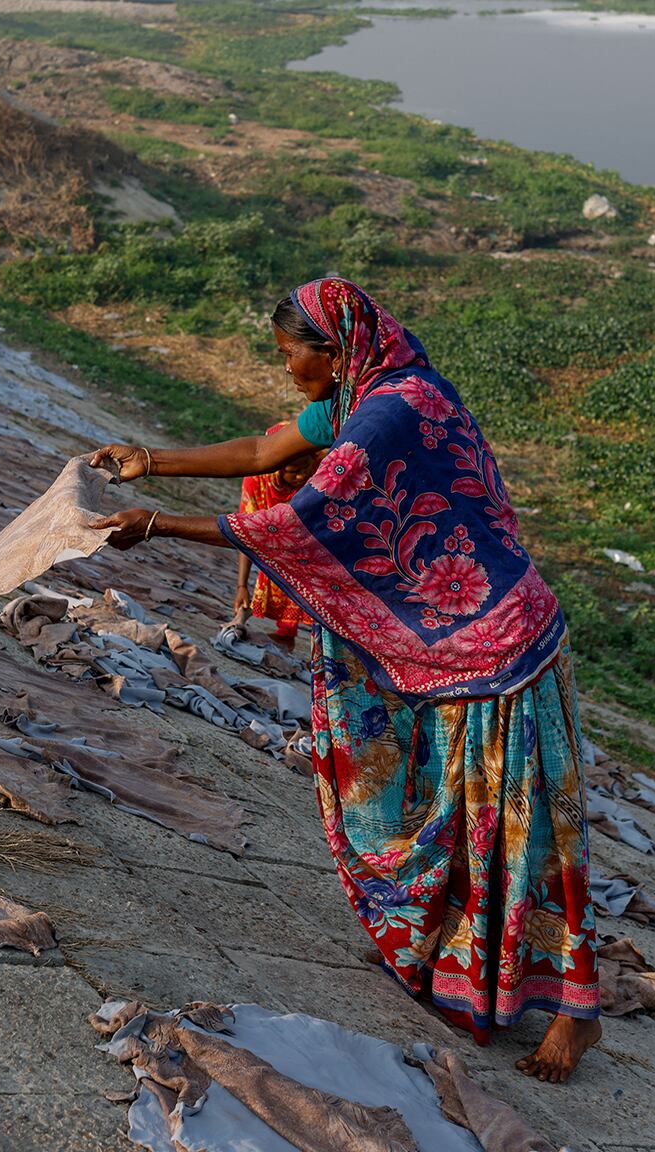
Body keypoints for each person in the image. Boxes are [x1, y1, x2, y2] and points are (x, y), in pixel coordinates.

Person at [87, 277, 601, 1082]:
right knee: (456, 808)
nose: (286, 368)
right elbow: (263, 454)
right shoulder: (364, 394)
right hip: (443, 638)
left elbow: (300, 521)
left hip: (503, 643)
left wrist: (157, 524)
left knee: (531, 825)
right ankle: (456, 952)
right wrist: (149, 461)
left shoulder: (392, 411)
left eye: (289, 354)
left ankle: (576, 1012)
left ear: (333, 350)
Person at [228, 422, 322, 647]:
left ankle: (305, 640)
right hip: (282, 543)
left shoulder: (321, 469)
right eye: (294, 471)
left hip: (317, 538)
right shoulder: (256, 482)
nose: (302, 476)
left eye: (306, 468)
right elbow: (246, 531)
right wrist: (242, 586)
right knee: (279, 554)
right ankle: (286, 633)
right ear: (277, 466)